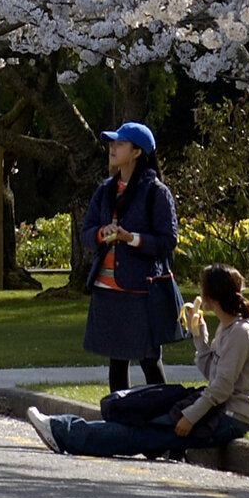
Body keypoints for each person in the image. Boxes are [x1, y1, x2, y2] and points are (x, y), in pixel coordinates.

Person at [29, 263, 249, 459]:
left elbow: (222, 387)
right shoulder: (228, 328)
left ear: (212, 297)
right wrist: (200, 338)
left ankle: (63, 432)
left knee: (141, 434)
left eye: (202, 288)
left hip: (230, 418)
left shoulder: (241, 332)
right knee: (143, 419)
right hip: (218, 408)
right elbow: (214, 374)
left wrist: (190, 417)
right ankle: (64, 429)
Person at [80, 121, 181, 391]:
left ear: (137, 152)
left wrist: (131, 238)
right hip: (107, 288)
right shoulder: (105, 190)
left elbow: (168, 240)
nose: (112, 149)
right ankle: (119, 418)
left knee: (149, 358)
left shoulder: (157, 192)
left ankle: (160, 418)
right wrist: (103, 232)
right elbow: (87, 233)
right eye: (112, 143)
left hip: (141, 290)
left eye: (120, 144)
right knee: (117, 360)